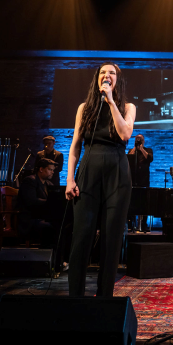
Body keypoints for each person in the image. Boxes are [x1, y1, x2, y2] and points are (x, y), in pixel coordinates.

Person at [65, 62, 136, 297]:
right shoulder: (84, 108)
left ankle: (104, 296)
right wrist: (69, 179)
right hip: (89, 167)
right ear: (97, 79)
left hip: (117, 170)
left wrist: (111, 102)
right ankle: (75, 295)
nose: (107, 76)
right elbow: (75, 145)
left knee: (111, 236)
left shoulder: (127, 106)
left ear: (118, 80)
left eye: (112, 73)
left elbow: (125, 134)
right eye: (103, 73)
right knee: (82, 234)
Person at [17, 158, 56, 248]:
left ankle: (56, 257)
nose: (52, 172)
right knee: (49, 227)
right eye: (50, 169)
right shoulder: (30, 181)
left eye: (53, 170)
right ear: (41, 169)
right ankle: (45, 255)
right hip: (28, 220)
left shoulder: (49, 184)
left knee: (61, 226)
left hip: (40, 218)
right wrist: (50, 203)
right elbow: (31, 201)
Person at [128, 134, 154, 231]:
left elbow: (149, 158)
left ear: (143, 141)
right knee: (132, 202)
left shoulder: (148, 150)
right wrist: (135, 147)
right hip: (133, 181)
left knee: (144, 203)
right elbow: (128, 159)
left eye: (140, 139)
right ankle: (131, 224)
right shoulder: (132, 151)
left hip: (144, 181)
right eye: (137, 139)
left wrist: (141, 148)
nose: (139, 141)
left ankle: (143, 224)